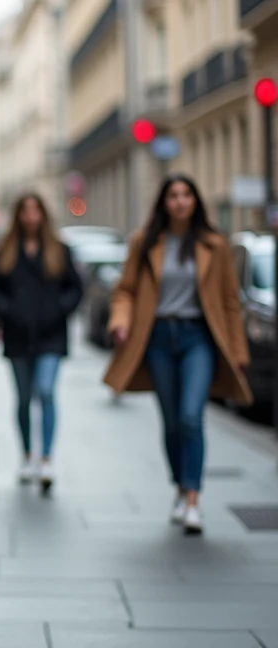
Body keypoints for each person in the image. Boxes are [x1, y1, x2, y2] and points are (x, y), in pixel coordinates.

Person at [103, 174, 250, 534]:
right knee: (171, 422)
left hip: (197, 337)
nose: (180, 201)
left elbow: (230, 301)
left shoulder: (215, 245)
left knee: (190, 417)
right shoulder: (144, 242)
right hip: (157, 338)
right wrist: (121, 323)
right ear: (164, 203)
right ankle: (180, 487)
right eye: (173, 195)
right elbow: (125, 290)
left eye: (186, 195)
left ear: (195, 201)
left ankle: (193, 499)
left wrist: (237, 349)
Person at [0, 194, 83, 494]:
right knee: (24, 398)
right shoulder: (6, 250)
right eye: (25, 211)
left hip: (50, 334)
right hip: (17, 335)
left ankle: (47, 458)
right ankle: (27, 454)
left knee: (46, 390)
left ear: (43, 215)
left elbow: (75, 288)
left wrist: (58, 309)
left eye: (35, 211)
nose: (30, 217)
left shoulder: (59, 250)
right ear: (18, 216)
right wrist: (7, 312)